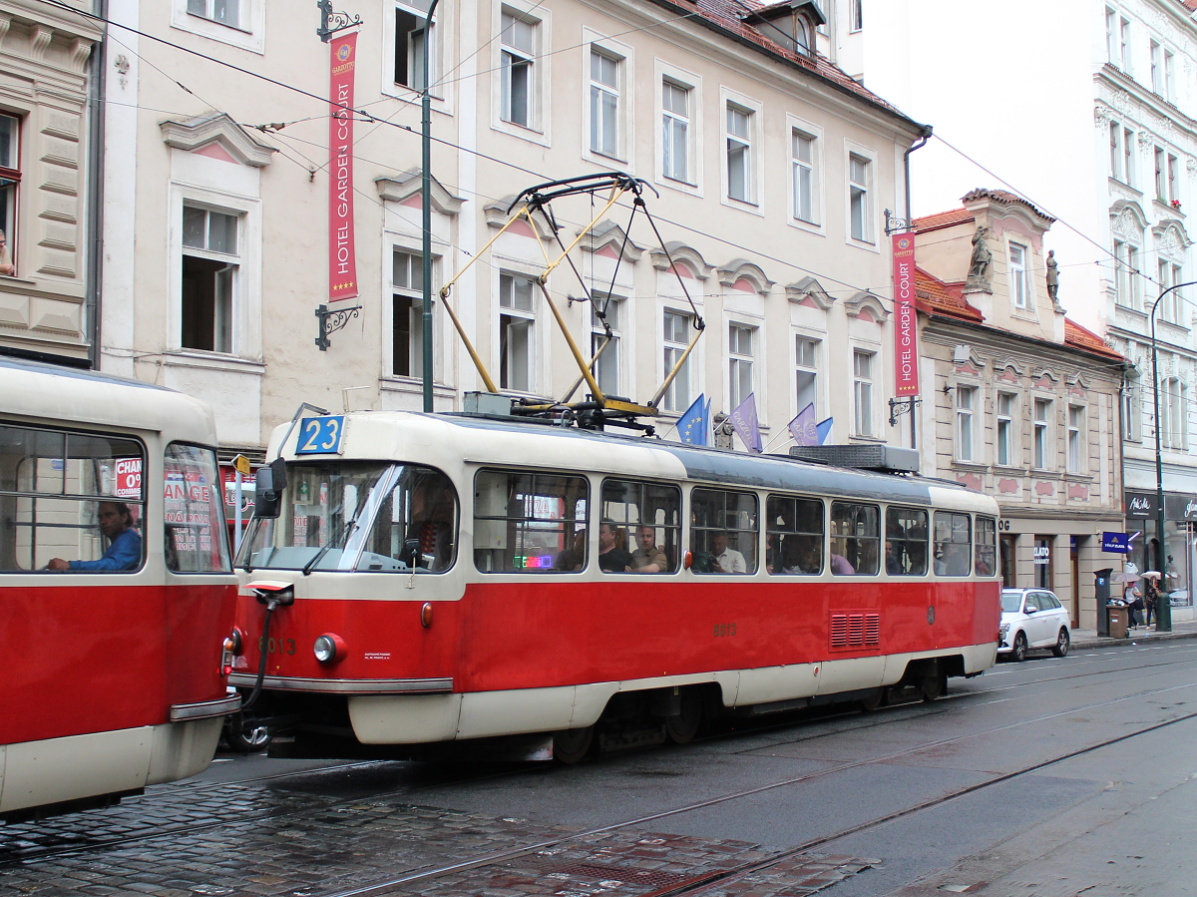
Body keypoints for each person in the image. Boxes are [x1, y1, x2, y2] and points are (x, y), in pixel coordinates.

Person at [48, 501, 142, 571]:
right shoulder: (119, 540)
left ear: (124, 517)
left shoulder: (129, 539)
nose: (103, 521)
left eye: (109, 515)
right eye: (100, 517)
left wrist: (70, 566)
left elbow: (113, 565)